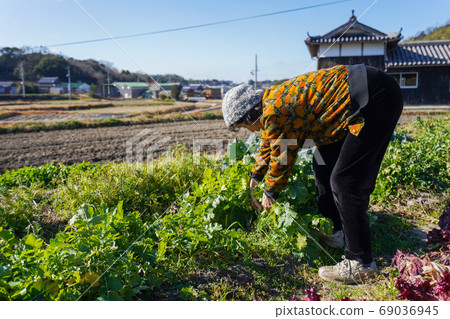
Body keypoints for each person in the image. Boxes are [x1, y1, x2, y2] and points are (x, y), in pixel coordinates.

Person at [221, 64, 403, 284]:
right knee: (323, 165)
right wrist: (256, 176)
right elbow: (268, 141)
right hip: (351, 105)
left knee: (345, 181)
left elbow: (283, 155)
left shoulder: (276, 109)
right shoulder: (272, 103)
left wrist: (270, 191)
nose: (249, 131)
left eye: (243, 126)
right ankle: (335, 233)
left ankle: (360, 263)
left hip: (373, 98)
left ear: (250, 115)